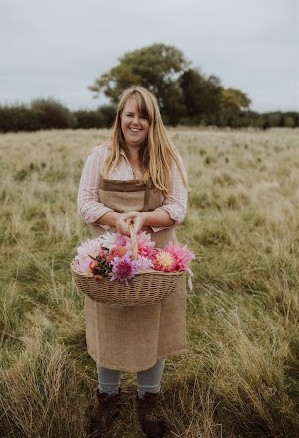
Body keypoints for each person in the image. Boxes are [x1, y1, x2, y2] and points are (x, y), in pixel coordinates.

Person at [77, 85, 189, 438]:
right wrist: (116, 219)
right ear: (120, 118)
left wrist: (145, 219)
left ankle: (148, 400)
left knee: (153, 329)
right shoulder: (101, 156)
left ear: (152, 121)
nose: (135, 121)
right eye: (129, 114)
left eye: (143, 115)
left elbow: (177, 208)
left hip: (157, 259)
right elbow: (85, 203)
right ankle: (107, 399)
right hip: (109, 256)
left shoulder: (167, 157)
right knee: (109, 325)